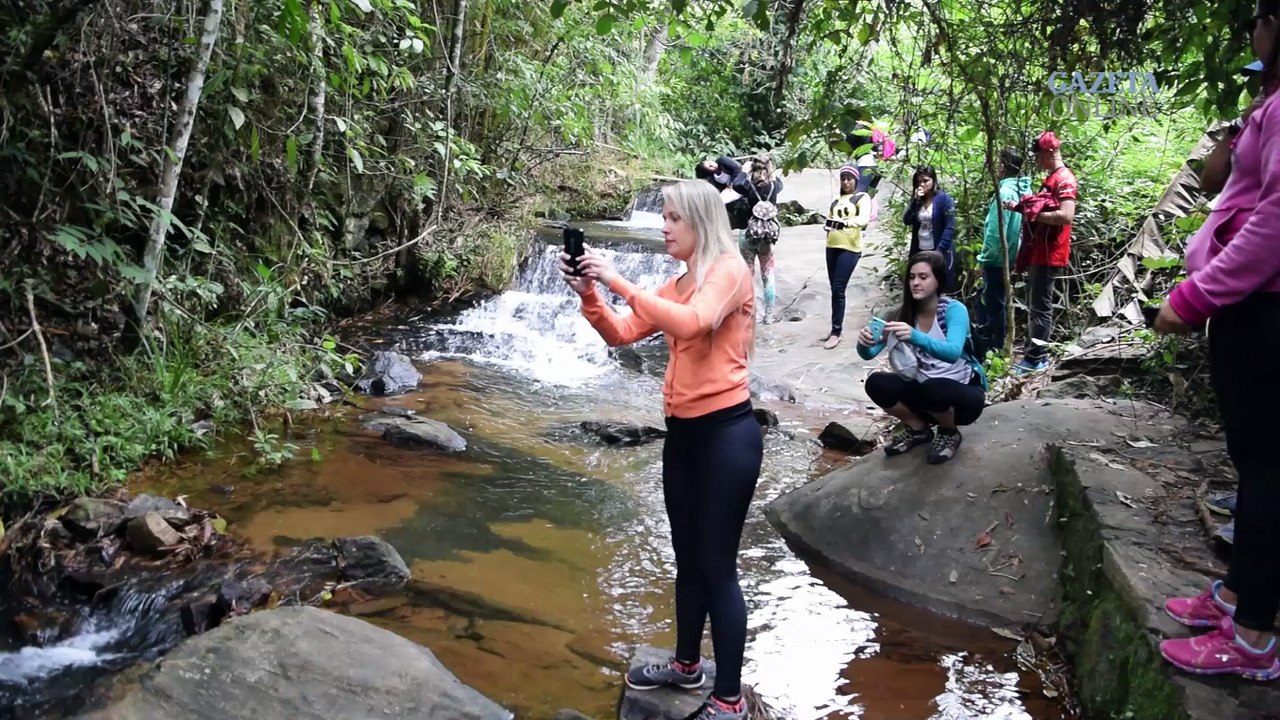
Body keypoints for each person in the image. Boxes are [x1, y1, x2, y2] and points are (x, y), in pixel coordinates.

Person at [562, 179, 762, 719]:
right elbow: (622, 334)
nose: (664, 226)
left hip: (727, 435)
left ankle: (729, 702)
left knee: (717, 567)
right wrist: (588, 292)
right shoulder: (677, 284)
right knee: (687, 559)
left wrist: (618, 277)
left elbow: (695, 323)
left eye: (673, 218)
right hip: (685, 437)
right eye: (664, 217)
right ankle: (685, 665)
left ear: (699, 220)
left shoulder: (728, 271)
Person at [1151, 0, 1280, 683]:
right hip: (1249, 311)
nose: (1253, 27)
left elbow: (1274, 223)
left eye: (1260, 15)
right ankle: (1235, 598)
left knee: (1268, 477)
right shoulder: (1270, 104)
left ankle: (1255, 639)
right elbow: (1224, 189)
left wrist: (1196, 295)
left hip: (1264, 310)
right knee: (1253, 465)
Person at [856, 251, 988, 465]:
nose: (916, 283)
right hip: (924, 395)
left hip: (962, 397)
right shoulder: (903, 314)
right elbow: (869, 354)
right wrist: (864, 343)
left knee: (934, 388)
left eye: (923, 277)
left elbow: (953, 352)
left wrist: (915, 336)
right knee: (876, 383)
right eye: (912, 277)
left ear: (938, 281)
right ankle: (918, 429)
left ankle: (948, 432)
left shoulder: (954, 310)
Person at [1005, 131, 1077, 374]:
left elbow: (1066, 215)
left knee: (1040, 308)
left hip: (1050, 252)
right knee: (1036, 306)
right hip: (1040, 250)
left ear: (1049, 153)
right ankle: (1032, 354)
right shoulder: (1052, 177)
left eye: (1038, 157)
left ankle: (1037, 359)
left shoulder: (1064, 179)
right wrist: (1022, 209)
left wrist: (1034, 214)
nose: (1037, 162)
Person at [973, 148, 1031, 357]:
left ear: (1004, 166)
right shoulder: (1022, 190)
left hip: (997, 258)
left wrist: (985, 258)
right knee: (998, 302)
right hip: (1011, 256)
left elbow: (996, 231)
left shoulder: (1005, 193)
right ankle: (996, 346)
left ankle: (994, 349)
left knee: (992, 305)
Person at [820, 165, 873, 349]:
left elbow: (863, 219)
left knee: (838, 288)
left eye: (849, 178)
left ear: (856, 180)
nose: (846, 182)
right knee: (834, 289)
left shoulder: (862, 197)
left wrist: (843, 223)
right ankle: (835, 327)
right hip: (832, 246)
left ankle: (836, 332)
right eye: (843, 178)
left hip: (849, 248)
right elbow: (829, 218)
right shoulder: (836, 199)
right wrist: (828, 226)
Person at [732, 153, 784, 322]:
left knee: (748, 274)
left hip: (748, 233)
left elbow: (736, 184)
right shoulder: (774, 186)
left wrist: (744, 171)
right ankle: (769, 316)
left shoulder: (746, 185)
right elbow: (780, 182)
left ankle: (749, 314)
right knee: (768, 275)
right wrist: (772, 174)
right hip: (768, 236)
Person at [902, 166, 957, 289]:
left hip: (938, 249)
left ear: (933, 181)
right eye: (919, 182)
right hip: (920, 249)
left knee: (939, 285)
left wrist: (939, 251)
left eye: (926, 181)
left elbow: (950, 227)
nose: (922, 184)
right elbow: (907, 221)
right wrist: (915, 202)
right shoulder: (918, 201)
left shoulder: (944, 199)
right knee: (922, 286)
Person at [695, 155, 751, 231]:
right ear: (708, 172)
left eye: (710, 162)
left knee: (721, 200)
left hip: (741, 181)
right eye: (709, 166)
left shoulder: (722, 161)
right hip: (732, 189)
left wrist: (732, 183)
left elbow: (737, 167)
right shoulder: (713, 179)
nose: (712, 164)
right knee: (719, 200)